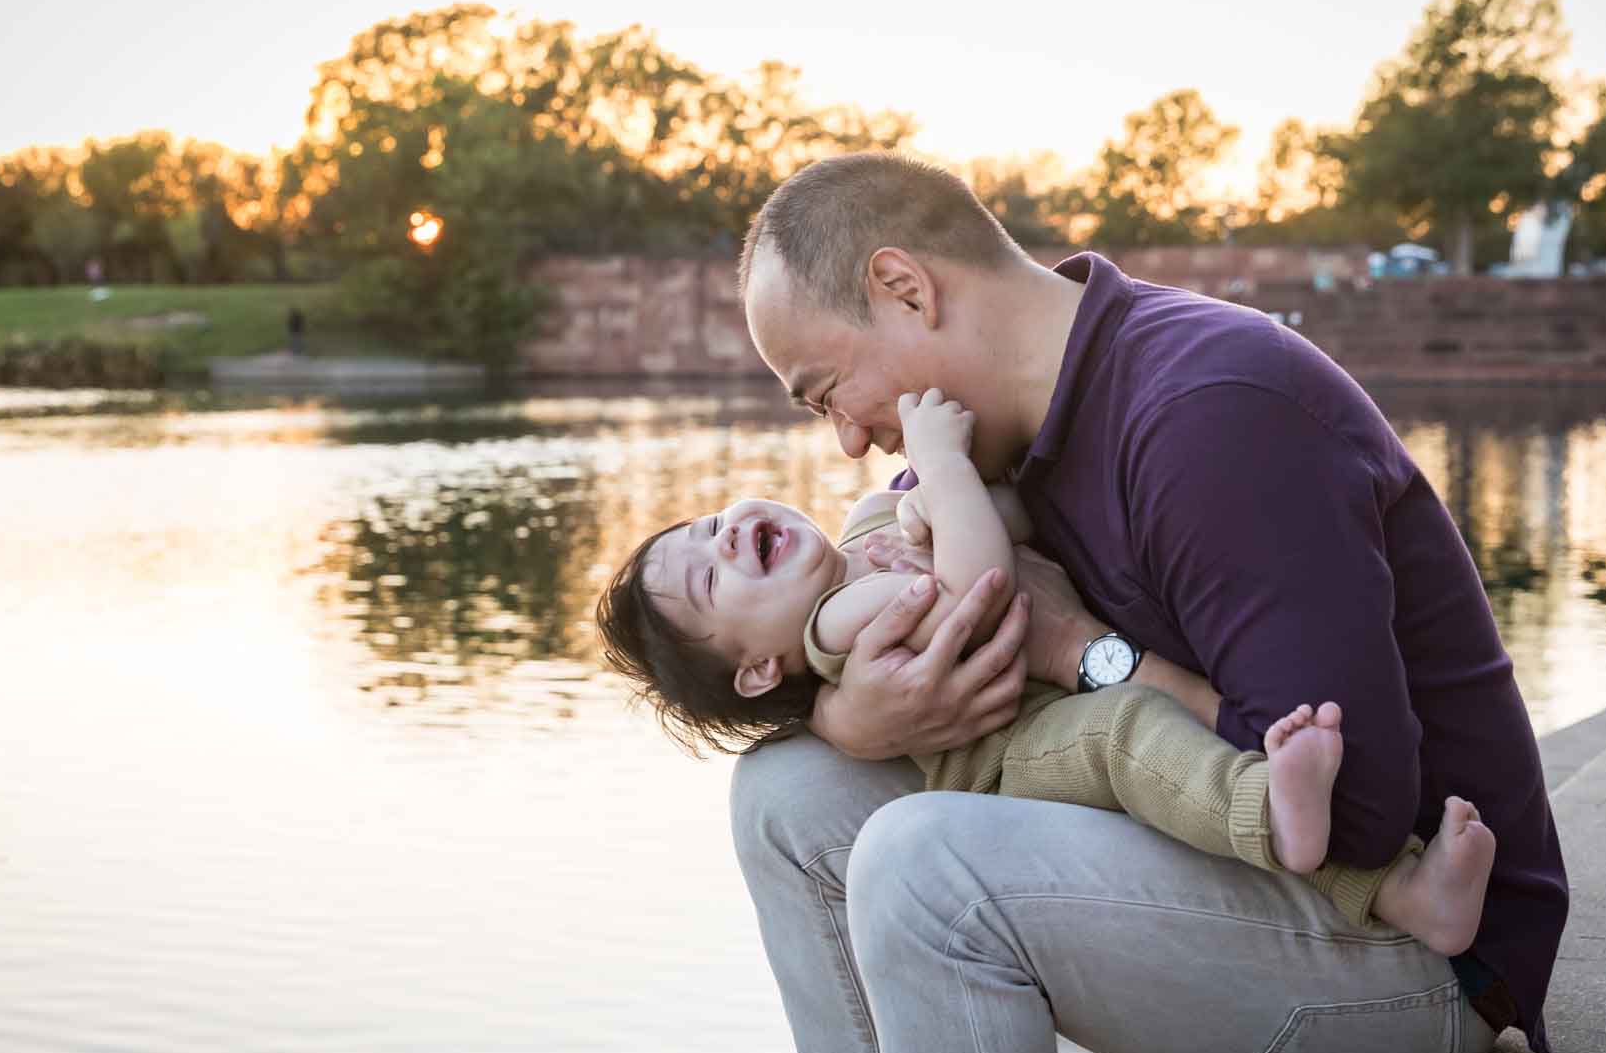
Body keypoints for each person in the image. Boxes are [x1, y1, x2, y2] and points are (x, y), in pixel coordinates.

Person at [728, 152, 1570, 1053]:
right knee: (783, 788)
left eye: (824, 390)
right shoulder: (983, 439)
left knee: (921, 862)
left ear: (905, 290)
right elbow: (877, 626)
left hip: (1410, 952)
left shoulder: (1210, 412)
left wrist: (1073, 647)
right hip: (1246, 880)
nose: (847, 441)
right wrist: (850, 721)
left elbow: (1351, 809)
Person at [596, 388, 1495, 954]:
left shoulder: (869, 521)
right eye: (710, 576)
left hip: (1047, 691)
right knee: (1126, 739)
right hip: (1015, 753)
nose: (725, 535)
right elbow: (978, 587)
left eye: (710, 522)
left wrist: (948, 498)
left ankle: (1404, 889)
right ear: (759, 670)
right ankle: (1282, 815)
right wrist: (940, 466)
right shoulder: (836, 629)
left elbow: (1011, 518)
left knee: (1175, 752)